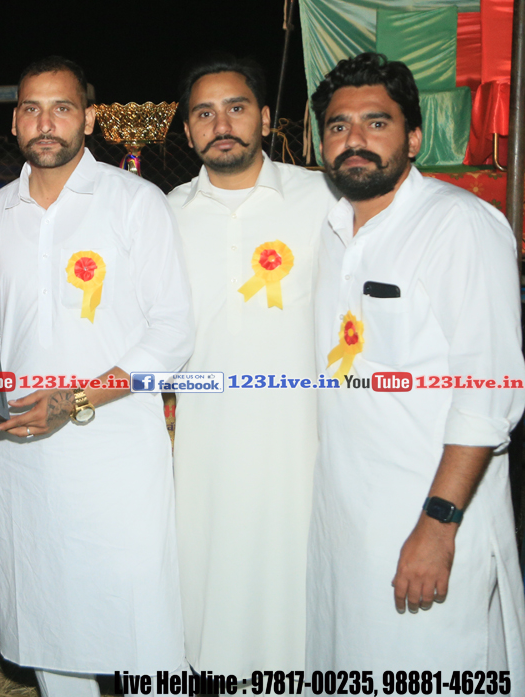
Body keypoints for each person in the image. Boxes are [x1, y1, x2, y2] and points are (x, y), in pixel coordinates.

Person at [0, 56, 195, 695]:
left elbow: (174, 331)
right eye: (31, 109)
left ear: (90, 119)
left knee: (137, 619)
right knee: (48, 617)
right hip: (22, 450)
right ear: (15, 120)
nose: (46, 123)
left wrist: (72, 400)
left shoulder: (135, 201)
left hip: (114, 447)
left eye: (62, 108)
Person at [309, 52, 525, 677]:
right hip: (347, 525)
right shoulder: (331, 231)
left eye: (377, 123)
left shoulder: (459, 224)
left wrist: (438, 524)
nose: (354, 139)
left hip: (431, 522)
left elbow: (488, 394)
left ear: (414, 138)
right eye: (338, 125)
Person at [166, 56, 336, 676]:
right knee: (211, 582)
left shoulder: (323, 198)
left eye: (235, 108)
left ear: (265, 118)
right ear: (188, 130)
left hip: (303, 435)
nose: (221, 125)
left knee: (298, 582)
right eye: (204, 113)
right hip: (205, 439)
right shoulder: (166, 213)